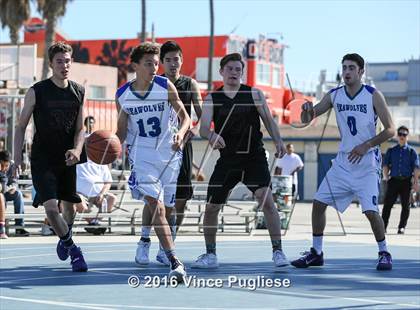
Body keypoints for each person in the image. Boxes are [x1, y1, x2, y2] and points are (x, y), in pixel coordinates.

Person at [291, 53, 395, 271]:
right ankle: (316, 253)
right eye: (344, 67)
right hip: (343, 162)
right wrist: (306, 110)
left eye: (351, 68)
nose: (346, 72)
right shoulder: (334, 95)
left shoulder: (373, 95)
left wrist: (366, 145)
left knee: (370, 211)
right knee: (318, 205)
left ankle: (384, 252)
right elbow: (308, 118)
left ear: (360, 72)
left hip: (367, 162)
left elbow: (391, 130)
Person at [192, 52, 289, 269]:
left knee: (267, 202)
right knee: (211, 208)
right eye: (230, 69)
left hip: (254, 157)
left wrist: (279, 141)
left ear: (242, 73)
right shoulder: (212, 98)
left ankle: (278, 252)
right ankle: (211, 255)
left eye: (238, 69)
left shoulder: (254, 94)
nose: (234, 73)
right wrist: (212, 135)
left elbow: (270, 122)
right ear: (222, 72)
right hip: (228, 160)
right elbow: (203, 128)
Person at [115, 42, 190, 280]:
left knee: (167, 211)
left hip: (169, 156)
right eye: (149, 64)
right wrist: (105, 147)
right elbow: (121, 133)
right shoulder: (123, 95)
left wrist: (181, 132)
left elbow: (185, 117)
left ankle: (145, 239)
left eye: (156, 63)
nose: (154, 68)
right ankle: (174, 261)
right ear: (135, 66)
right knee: (156, 207)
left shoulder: (165, 85)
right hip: (142, 157)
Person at [13, 42, 88, 272]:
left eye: (67, 61)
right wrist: (17, 159)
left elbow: (80, 129)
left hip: (68, 158)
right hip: (43, 158)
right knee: (51, 209)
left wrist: (77, 150)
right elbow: (20, 126)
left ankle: (65, 237)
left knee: (70, 210)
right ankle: (74, 249)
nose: (64, 65)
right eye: (59, 61)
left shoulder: (78, 91)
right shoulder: (37, 91)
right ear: (51, 64)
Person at [135, 40, 203, 266]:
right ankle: (144, 240)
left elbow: (201, 114)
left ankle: (168, 245)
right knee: (152, 199)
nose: (173, 63)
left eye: (177, 59)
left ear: (182, 61)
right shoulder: (155, 85)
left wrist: (192, 129)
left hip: (181, 147)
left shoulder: (189, 84)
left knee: (180, 201)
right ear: (161, 63)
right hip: (155, 149)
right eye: (168, 60)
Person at [75, 116, 117, 235]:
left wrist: (102, 193)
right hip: (81, 193)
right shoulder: (78, 158)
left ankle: (96, 222)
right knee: (77, 199)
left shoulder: (99, 159)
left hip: (97, 193)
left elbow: (108, 181)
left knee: (112, 198)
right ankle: (93, 222)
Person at [381, 126, 419, 234]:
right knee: (387, 204)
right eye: (400, 134)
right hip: (393, 181)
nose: (402, 136)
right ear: (397, 136)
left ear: (407, 136)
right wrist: (386, 177)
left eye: (404, 134)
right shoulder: (391, 151)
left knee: (405, 206)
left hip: (406, 181)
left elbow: (416, 168)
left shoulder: (412, 152)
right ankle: (383, 227)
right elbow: (385, 165)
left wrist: (416, 183)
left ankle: (401, 227)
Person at [0, 151, 29, 236]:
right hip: (1, 193)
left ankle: (19, 226)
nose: (4, 168)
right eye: (2, 165)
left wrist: (13, 186)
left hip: (8, 191)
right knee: (1, 197)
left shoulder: (13, 166)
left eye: (6, 165)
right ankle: (2, 225)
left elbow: (15, 181)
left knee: (18, 194)